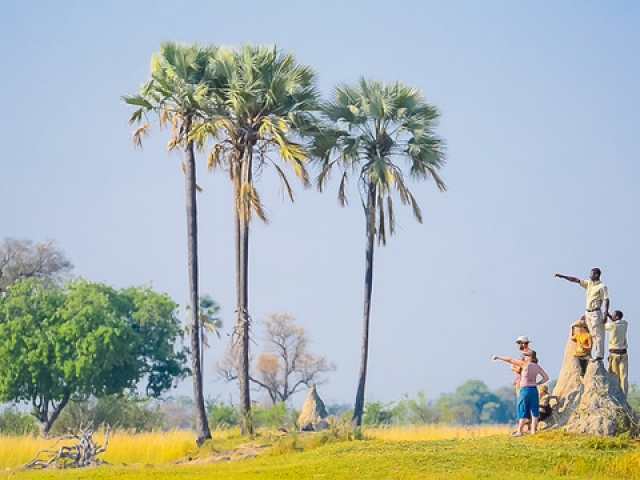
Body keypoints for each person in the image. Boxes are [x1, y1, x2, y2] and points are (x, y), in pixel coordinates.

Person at [555, 268, 609, 361]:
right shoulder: (589, 284)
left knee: (598, 335)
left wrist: (605, 313)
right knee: (590, 334)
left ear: (597, 275)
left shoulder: (602, 286)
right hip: (588, 312)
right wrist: (563, 276)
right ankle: (589, 354)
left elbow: (606, 300)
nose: (590, 276)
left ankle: (599, 356)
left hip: (596, 312)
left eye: (591, 274)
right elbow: (576, 280)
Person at [493, 351, 550, 436]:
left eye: (526, 356)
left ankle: (520, 431)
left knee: (522, 409)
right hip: (534, 389)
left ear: (529, 357)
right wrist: (538, 383)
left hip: (525, 390)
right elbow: (546, 378)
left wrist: (498, 357)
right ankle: (533, 431)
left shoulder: (525, 365)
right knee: (534, 410)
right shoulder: (537, 367)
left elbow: (510, 360)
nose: (525, 357)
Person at [605, 310, 629, 397]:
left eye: (614, 316)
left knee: (614, 376)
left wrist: (605, 316)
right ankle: (624, 395)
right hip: (623, 353)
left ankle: (614, 394)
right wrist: (609, 315)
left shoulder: (611, 326)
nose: (612, 317)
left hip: (614, 354)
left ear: (617, 317)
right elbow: (616, 321)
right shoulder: (625, 324)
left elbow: (602, 326)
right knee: (624, 376)